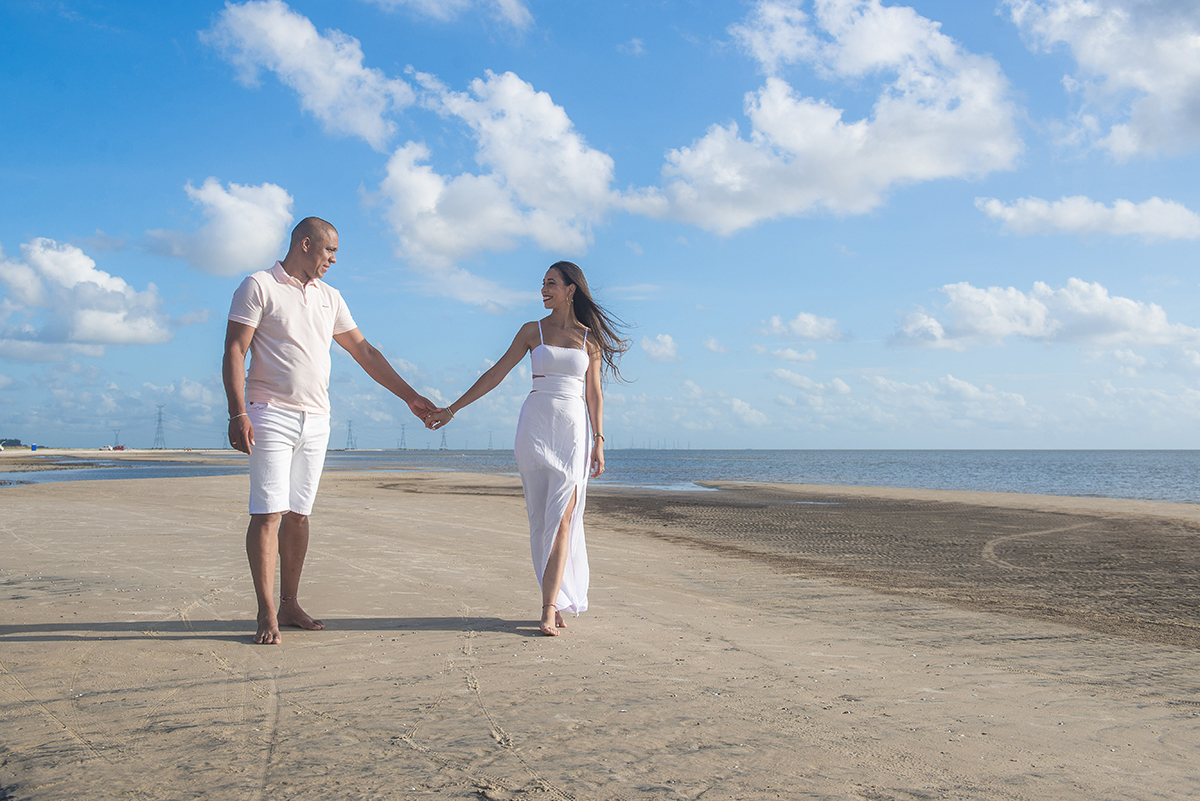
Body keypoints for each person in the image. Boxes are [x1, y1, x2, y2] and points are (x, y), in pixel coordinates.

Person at [223, 217, 435, 645]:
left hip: (317, 419)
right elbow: (234, 348)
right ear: (306, 245)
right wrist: (237, 412)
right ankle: (266, 613)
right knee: (267, 513)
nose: (333, 260)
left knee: (299, 515)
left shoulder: (331, 298)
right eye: (329, 251)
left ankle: (289, 601)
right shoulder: (258, 285)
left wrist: (410, 397)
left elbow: (364, 351)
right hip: (269, 412)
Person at [426, 261, 628, 636]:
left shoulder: (590, 340)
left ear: (571, 290)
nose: (543, 290)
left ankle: (549, 607)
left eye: (551, 284)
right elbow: (495, 373)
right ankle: (556, 595)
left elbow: (594, 395)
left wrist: (599, 441)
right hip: (535, 428)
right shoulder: (530, 331)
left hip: (573, 432)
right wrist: (453, 409)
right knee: (541, 521)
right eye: (543, 284)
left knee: (563, 518)